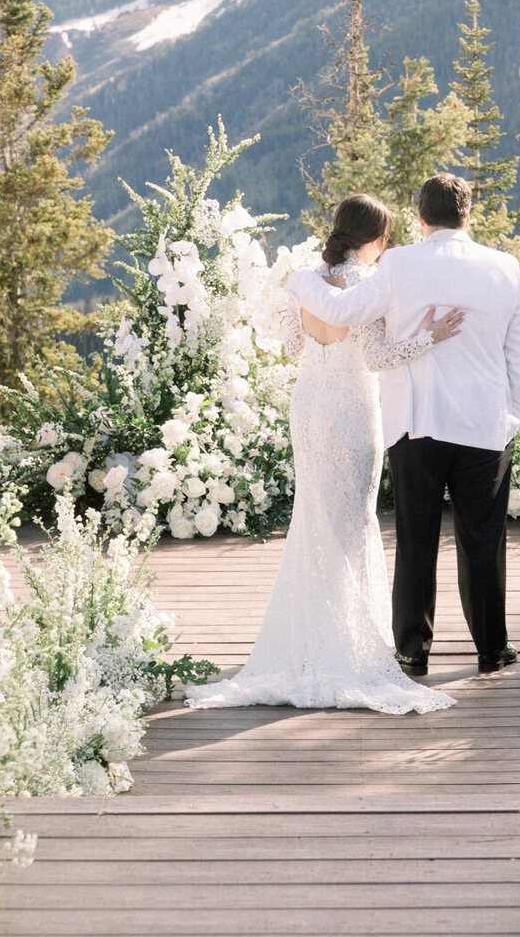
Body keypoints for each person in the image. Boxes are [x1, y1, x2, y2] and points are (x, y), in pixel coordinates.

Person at [187, 193, 461, 715]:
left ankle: (310, 639)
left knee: (312, 519)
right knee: (352, 523)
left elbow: (292, 347)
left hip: (309, 403)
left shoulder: (307, 282)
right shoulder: (371, 286)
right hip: (353, 409)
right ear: (375, 239)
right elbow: (378, 357)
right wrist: (429, 336)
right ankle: (346, 643)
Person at [288, 173, 520, 676]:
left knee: (416, 539)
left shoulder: (399, 264)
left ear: (421, 219)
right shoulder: (504, 268)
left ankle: (411, 652)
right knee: (483, 539)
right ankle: (491, 649)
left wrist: (298, 279)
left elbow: (343, 309)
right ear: (468, 215)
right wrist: (515, 415)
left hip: (415, 424)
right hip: (486, 424)